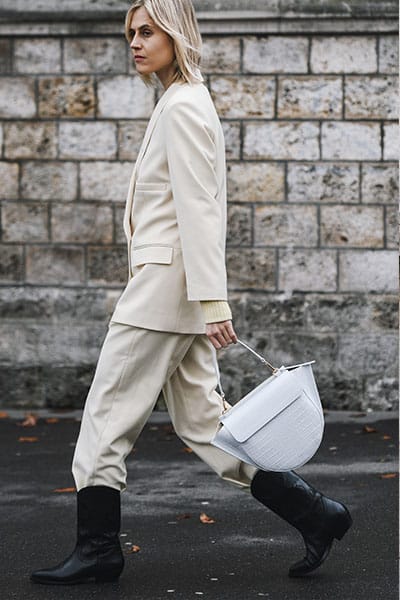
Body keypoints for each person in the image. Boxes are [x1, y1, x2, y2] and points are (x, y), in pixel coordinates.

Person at [30, 0, 352, 586]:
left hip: (160, 292)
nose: (135, 41)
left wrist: (214, 303)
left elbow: (199, 213)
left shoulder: (180, 107)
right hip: (176, 291)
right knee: (208, 424)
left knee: (105, 418)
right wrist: (204, 302)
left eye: (147, 30)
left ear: (176, 34)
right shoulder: (182, 100)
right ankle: (317, 514)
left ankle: (99, 549)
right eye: (130, 32)